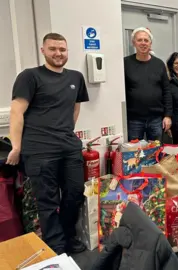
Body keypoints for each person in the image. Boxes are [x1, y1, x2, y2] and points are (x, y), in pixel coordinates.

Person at [6, 33, 89, 254]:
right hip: (39, 149)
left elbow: (75, 106)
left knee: (75, 192)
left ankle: (68, 235)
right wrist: (16, 147)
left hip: (68, 146)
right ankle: (57, 246)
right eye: (52, 49)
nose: (58, 53)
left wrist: (66, 130)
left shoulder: (76, 77)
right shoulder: (30, 76)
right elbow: (17, 111)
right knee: (48, 202)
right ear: (43, 50)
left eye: (62, 49)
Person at [124, 27, 172, 142]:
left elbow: (167, 91)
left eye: (146, 40)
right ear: (133, 43)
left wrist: (168, 115)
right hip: (133, 120)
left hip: (156, 119)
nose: (143, 43)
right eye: (140, 40)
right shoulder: (125, 63)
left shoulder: (159, 64)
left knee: (156, 153)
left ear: (150, 43)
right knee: (134, 154)